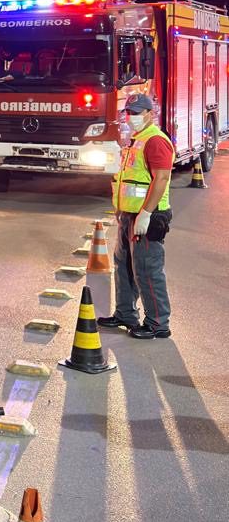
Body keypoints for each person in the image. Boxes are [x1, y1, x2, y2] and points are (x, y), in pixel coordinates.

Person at [98, 92, 175, 339]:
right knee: (125, 267)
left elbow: (161, 178)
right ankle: (125, 314)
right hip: (129, 215)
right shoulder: (136, 139)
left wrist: (145, 214)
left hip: (147, 216)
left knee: (147, 269)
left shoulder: (155, 141)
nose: (131, 118)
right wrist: (122, 211)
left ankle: (157, 323)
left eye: (137, 113)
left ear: (150, 114)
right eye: (128, 113)